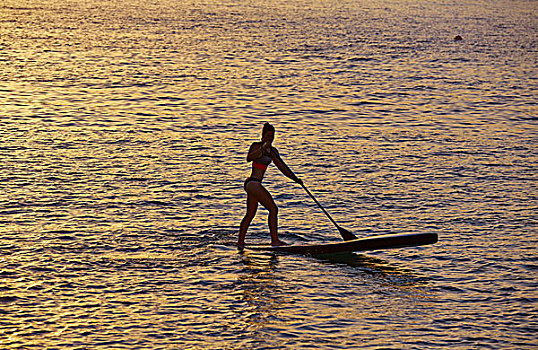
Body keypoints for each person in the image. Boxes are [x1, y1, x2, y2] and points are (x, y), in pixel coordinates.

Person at [238, 123, 302, 247]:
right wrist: (262, 149)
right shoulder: (256, 146)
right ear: (262, 136)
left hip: (255, 185)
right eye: (267, 136)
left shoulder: (273, 152)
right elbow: (249, 158)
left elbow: (282, 167)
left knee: (250, 214)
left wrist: (295, 179)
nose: (270, 139)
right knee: (273, 209)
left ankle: (240, 242)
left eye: (272, 136)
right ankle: (275, 241)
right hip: (252, 183)